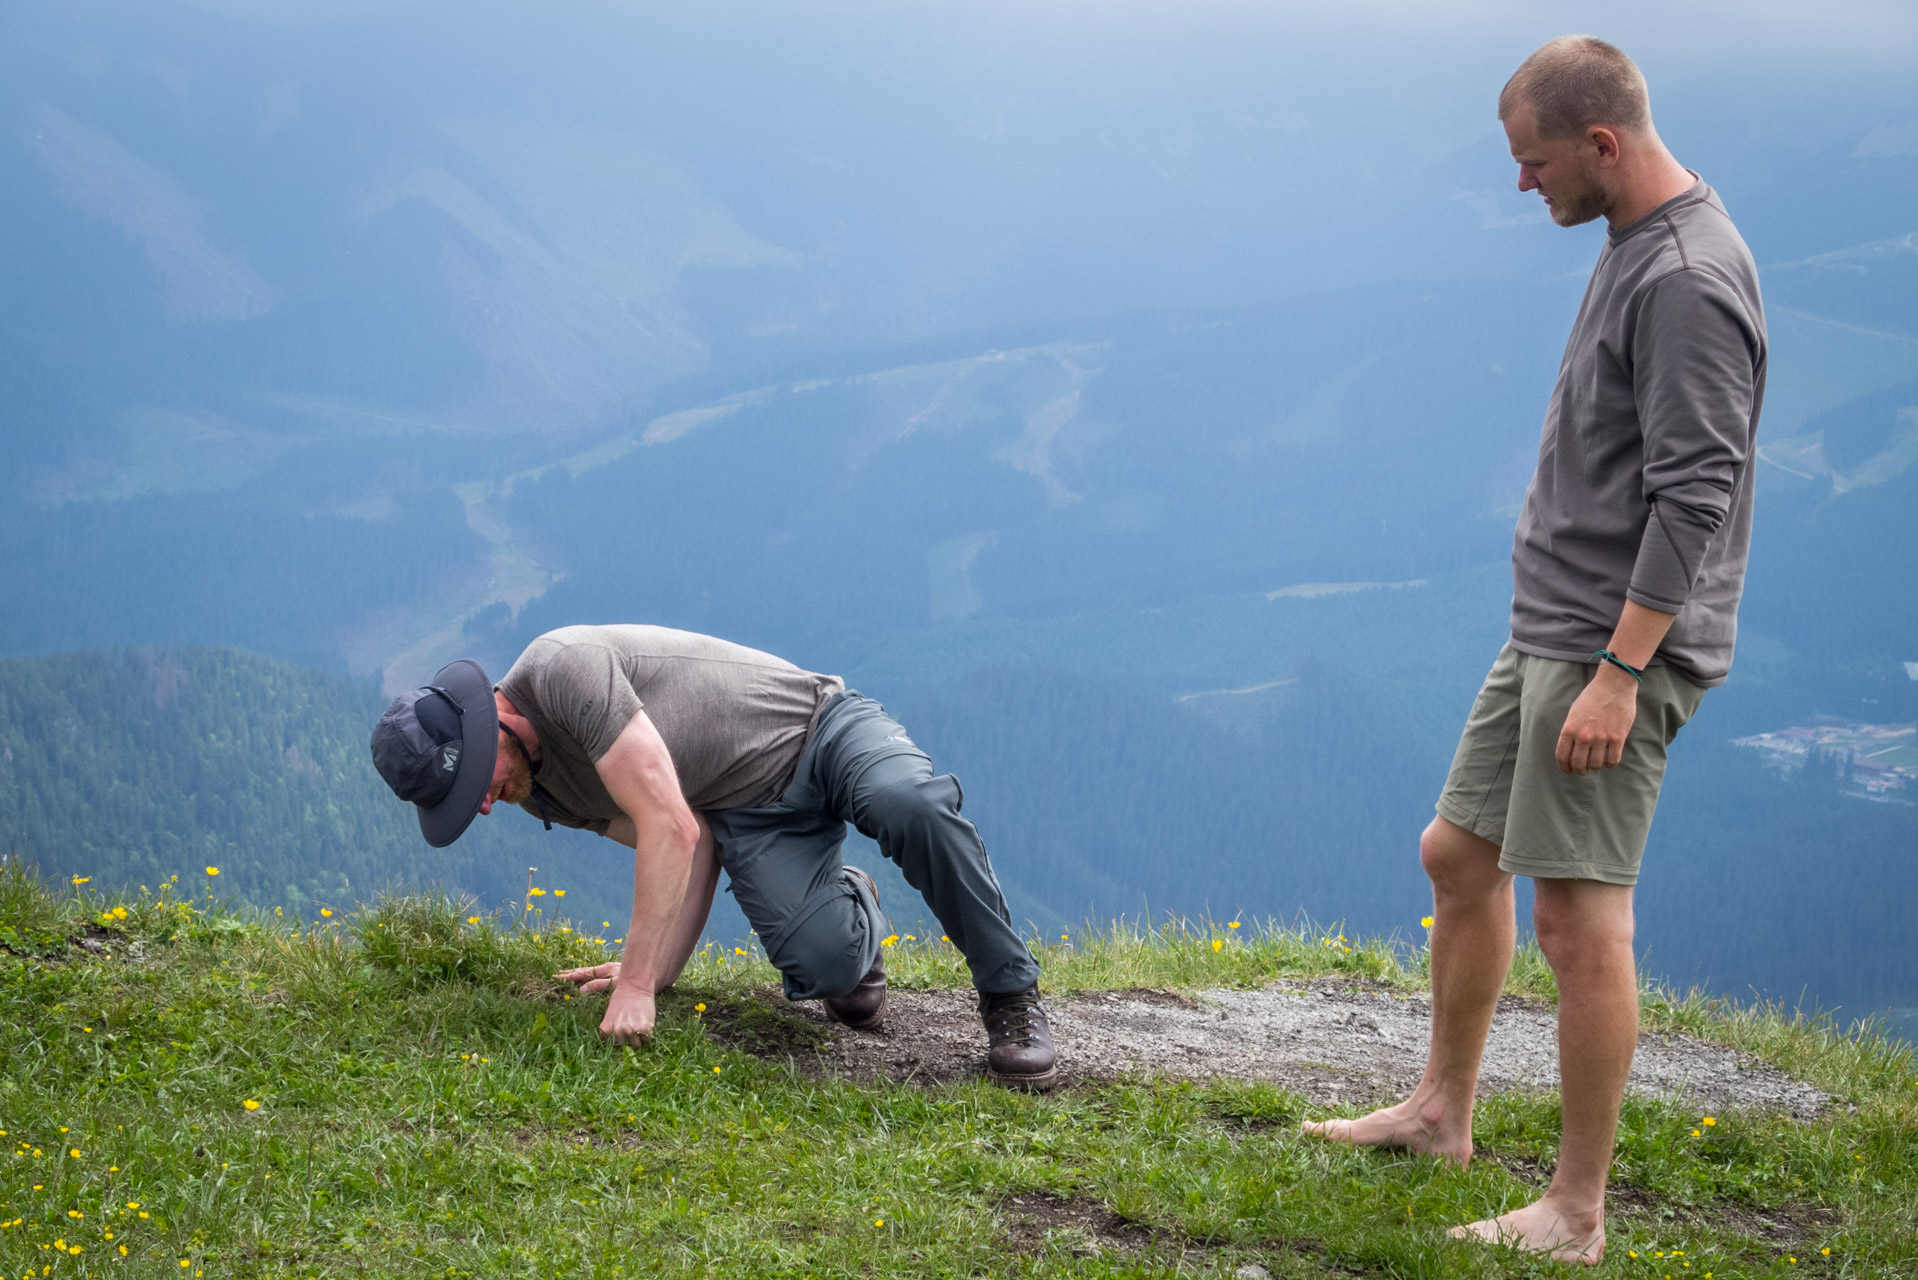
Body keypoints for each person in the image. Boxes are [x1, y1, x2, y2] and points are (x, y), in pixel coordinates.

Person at [1301, 35, 1765, 1265]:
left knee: (1577, 923)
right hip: (1554, 628)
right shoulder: (1633, 244)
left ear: (1600, 144)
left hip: (1612, 649)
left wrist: (1620, 673)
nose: (1522, 185)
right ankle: (1442, 1114)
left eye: (1534, 161)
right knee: (1457, 853)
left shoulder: (1683, 277)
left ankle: (1575, 1209)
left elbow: (1696, 493)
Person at [369, 624, 1058, 1090]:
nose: (483, 806)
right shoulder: (538, 791)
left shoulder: (562, 669)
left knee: (911, 803)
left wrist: (637, 984)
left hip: (819, 729)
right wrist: (658, 973)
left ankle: (1010, 994)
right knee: (827, 969)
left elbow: (668, 824)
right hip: (748, 815)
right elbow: (689, 840)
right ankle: (857, 904)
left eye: (471, 787)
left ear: (486, 730)